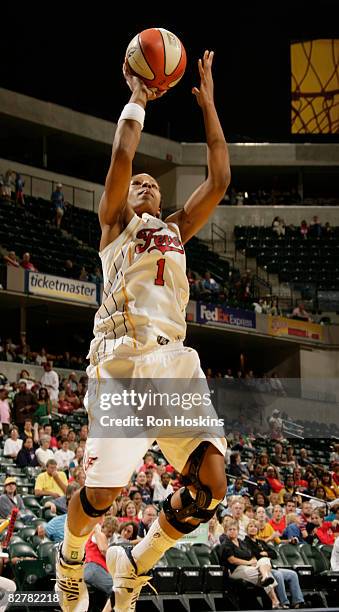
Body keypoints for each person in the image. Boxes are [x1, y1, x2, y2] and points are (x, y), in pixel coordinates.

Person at [56, 49, 230, 612]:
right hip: (121, 362)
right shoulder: (113, 226)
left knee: (212, 483)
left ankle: (137, 563)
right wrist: (139, 94)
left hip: (174, 362)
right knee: (101, 495)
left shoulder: (177, 228)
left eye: (155, 184)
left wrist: (208, 105)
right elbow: (123, 153)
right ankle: (71, 559)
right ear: (126, 198)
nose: (147, 185)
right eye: (140, 185)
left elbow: (220, 177)